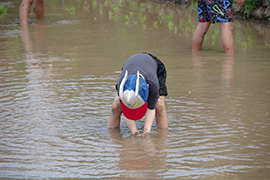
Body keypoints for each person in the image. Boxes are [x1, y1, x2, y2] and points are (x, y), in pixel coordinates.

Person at [108, 53, 168, 136]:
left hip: (153, 66)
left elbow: (151, 109)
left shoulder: (152, 84)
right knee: (115, 106)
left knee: (159, 106)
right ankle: (112, 137)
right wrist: (135, 133)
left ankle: (162, 140)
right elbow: (126, 108)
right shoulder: (123, 84)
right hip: (130, 68)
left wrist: (146, 133)